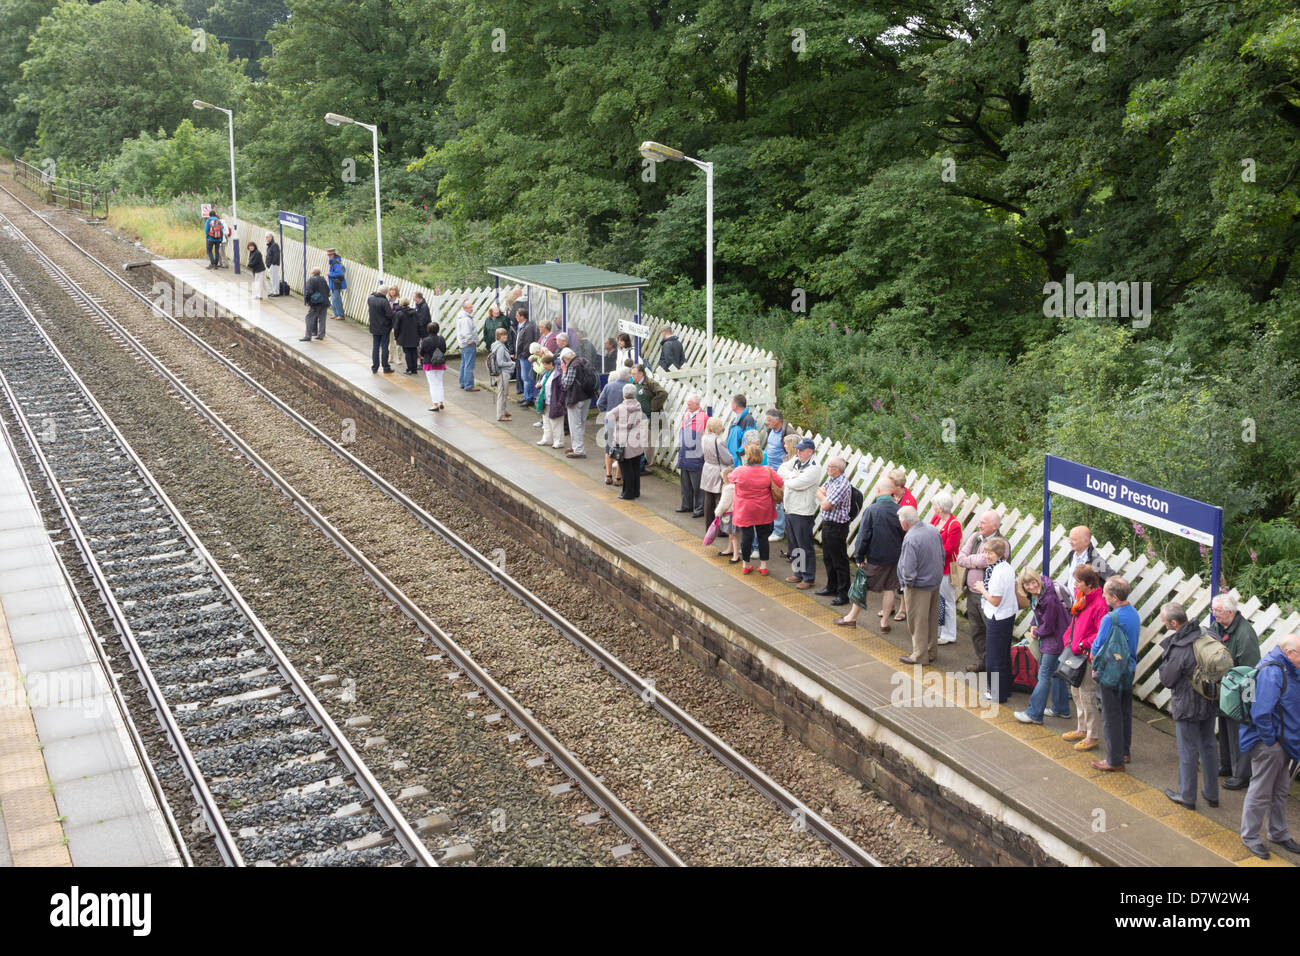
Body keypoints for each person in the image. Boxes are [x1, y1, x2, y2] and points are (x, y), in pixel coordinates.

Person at [1237, 634, 1300, 859]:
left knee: (1281, 790)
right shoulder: (1272, 672)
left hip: (1284, 743)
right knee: (1261, 791)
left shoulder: (1287, 668)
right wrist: (1270, 740)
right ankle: (1251, 837)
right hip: (1269, 744)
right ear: (1290, 653)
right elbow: (1261, 713)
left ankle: (1278, 832)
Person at [1157, 601, 1220, 811]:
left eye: (1164, 620)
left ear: (1174, 623)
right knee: (1209, 745)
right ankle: (1212, 794)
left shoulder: (1181, 648)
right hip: (1210, 701)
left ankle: (1187, 796)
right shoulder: (1207, 634)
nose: (1163, 623)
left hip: (1187, 705)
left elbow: (1167, 679)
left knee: (1188, 750)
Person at [833, 481, 904, 628]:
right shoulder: (900, 510)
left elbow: (864, 535)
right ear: (891, 493)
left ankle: (851, 618)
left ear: (878, 490)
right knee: (889, 589)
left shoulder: (872, 510)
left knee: (863, 587)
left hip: (876, 557)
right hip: (895, 557)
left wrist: (859, 556)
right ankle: (884, 623)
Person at [1089, 576, 1140, 772]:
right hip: (1128, 669)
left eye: (1106, 593)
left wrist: (1093, 657)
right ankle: (1124, 751)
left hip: (1111, 671)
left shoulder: (1111, 618)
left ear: (1115, 597)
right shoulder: (1134, 614)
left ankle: (1114, 760)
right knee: (1125, 712)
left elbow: (1098, 646)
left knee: (1110, 716)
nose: (1103, 596)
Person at [1211, 593, 1260, 789]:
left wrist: (1244, 699)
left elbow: (1250, 668)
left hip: (1239, 689)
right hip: (1225, 686)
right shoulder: (1218, 625)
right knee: (1223, 727)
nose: (1214, 614)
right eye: (1213, 610)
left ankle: (1242, 775)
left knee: (1239, 731)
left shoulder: (1245, 634)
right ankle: (1227, 766)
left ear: (1230, 612)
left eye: (1218, 611)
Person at [1013, 568, 1073, 724]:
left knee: (1044, 676)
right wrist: (1034, 624)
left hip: (1054, 640)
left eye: (1033, 582)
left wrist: (1036, 632)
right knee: (1056, 673)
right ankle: (1061, 708)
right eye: (1027, 585)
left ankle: (1034, 713)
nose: (1032, 587)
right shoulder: (1041, 593)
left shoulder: (1049, 598)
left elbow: (1049, 625)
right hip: (1060, 637)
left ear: (1037, 580)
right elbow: (1039, 613)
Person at [1061, 565, 1107, 751]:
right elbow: (1075, 623)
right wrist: (1068, 639)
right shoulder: (1082, 599)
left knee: (1087, 695)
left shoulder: (1099, 606)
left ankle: (1092, 735)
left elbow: (1100, 634)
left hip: (1086, 656)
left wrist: (1082, 644)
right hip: (1076, 652)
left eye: (1078, 581)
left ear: (1088, 584)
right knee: (1076, 692)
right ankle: (1082, 729)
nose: (1075, 584)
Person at [895, 506, 945, 665]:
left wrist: (906, 583)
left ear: (904, 523)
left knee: (917, 622)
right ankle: (931, 651)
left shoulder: (911, 538)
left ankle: (919, 656)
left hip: (917, 586)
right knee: (931, 619)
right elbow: (942, 555)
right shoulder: (932, 530)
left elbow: (908, 567)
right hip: (934, 583)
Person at [955, 510, 1003, 672]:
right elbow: (960, 558)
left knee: (991, 630)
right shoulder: (976, 536)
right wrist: (975, 562)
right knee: (976, 630)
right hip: (972, 592)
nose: (979, 525)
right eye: (980, 522)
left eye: (983, 523)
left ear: (994, 526)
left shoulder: (1002, 543)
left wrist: (972, 561)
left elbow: (986, 560)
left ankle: (994, 665)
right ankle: (982, 662)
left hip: (988, 595)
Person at [729, 445, 782, 575]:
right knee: (763, 536)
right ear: (761, 456)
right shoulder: (767, 470)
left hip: (745, 508)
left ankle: (746, 565)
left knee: (747, 536)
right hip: (763, 508)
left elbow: (730, 478)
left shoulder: (740, 471)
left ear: (747, 456)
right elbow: (780, 482)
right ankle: (763, 566)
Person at [779, 438, 823, 590]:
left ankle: (808, 577)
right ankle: (798, 572)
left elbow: (797, 484)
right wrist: (792, 477)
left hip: (803, 511)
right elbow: (781, 470)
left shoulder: (814, 468)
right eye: (798, 449)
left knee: (804, 545)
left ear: (810, 452)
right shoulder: (797, 461)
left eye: (801, 450)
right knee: (794, 544)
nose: (798, 452)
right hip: (790, 508)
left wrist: (788, 479)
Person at [816, 456, 853, 606]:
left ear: (837, 469)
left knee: (839, 560)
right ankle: (832, 586)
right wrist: (825, 499)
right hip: (828, 524)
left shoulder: (842, 484)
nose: (827, 468)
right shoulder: (832, 479)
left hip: (837, 526)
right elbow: (818, 491)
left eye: (830, 466)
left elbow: (825, 505)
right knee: (828, 558)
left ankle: (843, 594)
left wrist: (826, 500)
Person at [929, 493, 962, 644]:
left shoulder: (954, 524)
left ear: (940, 508)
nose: (933, 508)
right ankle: (939, 629)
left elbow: (949, 548)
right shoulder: (937, 518)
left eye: (935, 505)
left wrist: (931, 551)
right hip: (936, 565)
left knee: (947, 600)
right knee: (937, 599)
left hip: (948, 568)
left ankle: (949, 634)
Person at [608, 384, 647, 500]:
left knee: (626, 469)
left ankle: (628, 493)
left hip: (624, 443)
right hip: (637, 441)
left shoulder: (620, 408)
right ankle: (636, 491)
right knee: (635, 467)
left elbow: (609, 416)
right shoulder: (638, 405)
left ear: (623, 395)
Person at [762, 409, 793, 542]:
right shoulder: (771, 430)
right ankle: (773, 526)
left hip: (781, 471)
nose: (766, 423)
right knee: (771, 499)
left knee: (779, 500)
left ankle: (779, 531)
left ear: (777, 420)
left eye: (769, 420)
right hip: (771, 469)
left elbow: (794, 450)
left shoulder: (788, 432)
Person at [629, 364, 667, 472]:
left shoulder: (650, 383)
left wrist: (653, 406)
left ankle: (648, 466)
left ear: (641, 374)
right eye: (632, 374)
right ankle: (641, 464)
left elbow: (663, 393)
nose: (632, 376)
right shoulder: (634, 383)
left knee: (648, 444)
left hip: (651, 418)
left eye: (634, 374)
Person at [1056, 525, 1115, 594]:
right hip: (1072, 602)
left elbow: (1114, 581)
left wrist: (1102, 598)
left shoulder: (1095, 560)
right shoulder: (1073, 554)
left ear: (1086, 541)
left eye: (1074, 539)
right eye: (1070, 539)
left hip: (1085, 603)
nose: (1070, 542)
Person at [676, 394, 708, 516]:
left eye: (690, 404)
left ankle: (700, 509)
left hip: (696, 455)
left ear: (697, 404)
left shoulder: (704, 417)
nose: (687, 406)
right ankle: (686, 505)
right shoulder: (687, 415)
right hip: (684, 453)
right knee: (685, 483)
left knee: (697, 484)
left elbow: (705, 436)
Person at [596, 367, 629, 484]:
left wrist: (607, 412)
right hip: (623, 423)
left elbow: (599, 403)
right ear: (628, 377)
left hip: (610, 421)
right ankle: (618, 478)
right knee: (621, 450)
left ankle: (608, 476)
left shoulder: (608, 386)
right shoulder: (629, 389)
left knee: (608, 448)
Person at [560, 347, 595, 458]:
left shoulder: (573, 365)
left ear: (566, 358)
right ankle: (577, 446)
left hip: (576, 398)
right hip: (587, 396)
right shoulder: (584, 360)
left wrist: (564, 371)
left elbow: (566, 384)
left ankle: (579, 450)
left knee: (575, 425)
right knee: (581, 423)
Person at [699, 418, 730, 532]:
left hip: (707, 468)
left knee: (708, 499)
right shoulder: (718, 441)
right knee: (719, 499)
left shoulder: (704, 438)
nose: (722, 428)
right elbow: (726, 458)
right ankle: (720, 529)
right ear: (716, 428)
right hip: (718, 470)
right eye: (720, 426)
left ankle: (709, 527)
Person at [537, 355, 566, 449]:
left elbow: (563, 389)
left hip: (555, 402)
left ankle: (559, 441)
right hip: (545, 401)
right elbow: (541, 383)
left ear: (551, 364)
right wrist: (538, 385)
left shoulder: (558, 374)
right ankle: (547, 439)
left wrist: (561, 401)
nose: (544, 366)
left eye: (545, 364)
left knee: (556, 422)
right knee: (546, 422)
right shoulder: (545, 373)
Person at [419, 322, 448, 412]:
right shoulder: (441, 339)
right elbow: (444, 350)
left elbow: (421, 353)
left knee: (433, 384)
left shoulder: (425, 340)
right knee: (439, 383)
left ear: (428, 330)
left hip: (429, 364)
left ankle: (435, 404)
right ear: (438, 329)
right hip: (440, 363)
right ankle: (441, 402)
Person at [366, 283, 394, 374]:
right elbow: (389, 315)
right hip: (384, 327)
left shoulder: (370, 299)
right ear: (385, 292)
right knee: (385, 347)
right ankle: (385, 367)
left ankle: (375, 367)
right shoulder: (384, 301)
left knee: (375, 347)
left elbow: (373, 294)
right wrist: (391, 308)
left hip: (374, 326)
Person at [714, 466, 740, 561]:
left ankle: (736, 556)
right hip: (734, 513)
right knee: (730, 534)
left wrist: (717, 512)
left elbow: (724, 504)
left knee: (732, 535)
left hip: (729, 514)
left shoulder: (729, 488)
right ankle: (729, 549)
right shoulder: (735, 486)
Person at [515, 309, 539, 406]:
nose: (516, 317)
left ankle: (529, 398)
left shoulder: (528, 327)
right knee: (524, 377)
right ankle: (526, 396)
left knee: (527, 378)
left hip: (525, 357)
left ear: (522, 317)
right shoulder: (522, 326)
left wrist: (524, 354)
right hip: (522, 356)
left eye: (517, 315)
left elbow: (528, 342)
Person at [455, 299, 480, 391]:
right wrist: (472, 342)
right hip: (468, 344)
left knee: (464, 364)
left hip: (463, 344)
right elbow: (467, 333)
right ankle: (469, 385)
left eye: (472, 307)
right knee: (469, 365)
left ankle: (463, 382)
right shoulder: (466, 319)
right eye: (469, 307)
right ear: (464, 308)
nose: (471, 309)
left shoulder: (461, 317)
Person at [490, 327, 514, 421]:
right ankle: (500, 415)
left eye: (506, 334)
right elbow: (500, 363)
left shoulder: (495, 345)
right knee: (502, 393)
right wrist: (510, 363)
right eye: (503, 335)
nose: (506, 336)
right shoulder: (500, 347)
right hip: (503, 373)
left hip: (498, 373)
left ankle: (504, 411)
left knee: (503, 393)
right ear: (499, 336)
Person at [726, 394, 756, 467]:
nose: (730, 405)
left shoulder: (749, 420)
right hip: (731, 462)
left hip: (740, 464)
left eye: (731, 403)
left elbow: (748, 444)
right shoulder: (734, 420)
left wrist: (742, 464)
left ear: (735, 405)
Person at [394, 298, 422, 374]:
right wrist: (420, 335)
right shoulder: (415, 312)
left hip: (404, 336)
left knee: (407, 353)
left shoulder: (399, 314)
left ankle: (409, 369)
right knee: (414, 352)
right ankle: (414, 369)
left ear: (401, 304)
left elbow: (396, 327)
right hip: (414, 335)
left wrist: (396, 337)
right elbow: (419, 325)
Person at [301, 267, 330, 341]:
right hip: (324, 302)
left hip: (316, 303)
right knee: (322, 319)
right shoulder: (323, 279)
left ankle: (308, 336)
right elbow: (328, 290)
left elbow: (308, 292)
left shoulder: (311, 280)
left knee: (309, 318)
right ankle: (321, 335)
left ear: (312, 273)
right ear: (319, 273)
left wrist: (307, 301)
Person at [326, 249, 347, 319]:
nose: (328, 256)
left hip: (336, 284)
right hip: (333, 283)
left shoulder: (335, 263)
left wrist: (330, 274)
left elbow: (339, 273)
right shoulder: (333, 262)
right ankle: (335, 313)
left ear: (332, 255)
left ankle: (340, 315)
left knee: (337, 299)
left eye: (329, 255)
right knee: (334, 299)